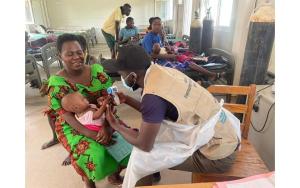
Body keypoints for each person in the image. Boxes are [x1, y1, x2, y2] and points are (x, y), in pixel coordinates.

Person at [101, 45, 240, 186]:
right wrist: (128, 100)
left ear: (133, 76)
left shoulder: (152, 97)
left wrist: (115, 125)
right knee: (152, 135)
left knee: (141, 154)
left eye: (122, 73)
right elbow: (154, 112)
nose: (121, 77)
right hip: (227, 133)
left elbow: (144, 144)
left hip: (217, 154)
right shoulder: (163, 72)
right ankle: (150, 178)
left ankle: (144, 183)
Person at [45, 33, 130, 187]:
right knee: (92, 154)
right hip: (74, 125)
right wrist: (91, 134)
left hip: (104, 116)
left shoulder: (97, 71)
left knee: (127, 144)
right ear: (60, 56)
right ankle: (88, 182)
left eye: (79, 52)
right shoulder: (57, 83)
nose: (76, 57)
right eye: (69, 54)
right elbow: (66, 116)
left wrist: (106, 126)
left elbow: (109, 100)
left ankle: (114, 175)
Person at [142, 17, 223, 81]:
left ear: (161, 25)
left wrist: (169, 50)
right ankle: (203, 78)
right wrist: (170, 56)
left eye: (159, 24)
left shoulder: (158, 35)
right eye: (155, 24)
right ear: (151, 25)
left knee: (189, 63)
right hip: (157, 64)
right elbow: (152, 55)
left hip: (166, 59)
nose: (157, 26)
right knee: (185, 68)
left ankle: (212, 75)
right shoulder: (148, 38)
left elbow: (162, 48)